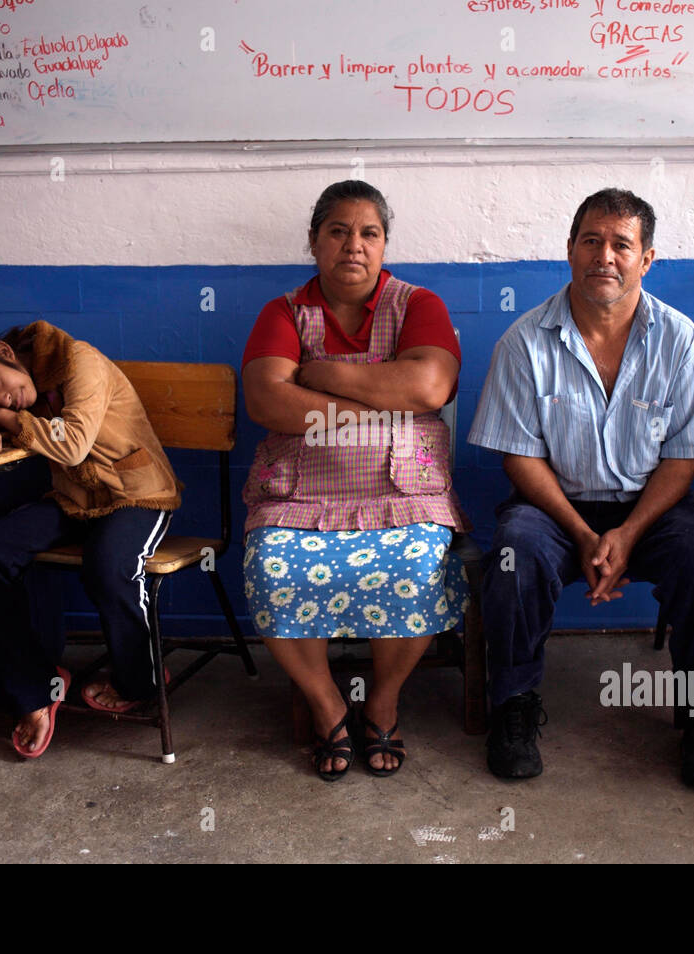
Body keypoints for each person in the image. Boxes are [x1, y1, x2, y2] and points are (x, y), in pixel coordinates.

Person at [468, 188, 694, 787]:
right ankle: (512, 706)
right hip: (554, 507)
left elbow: (683, 458)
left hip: (654, 508)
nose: (605, 256)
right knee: (511, 562)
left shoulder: (681, 342)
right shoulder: (524, 342)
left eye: (622, 244)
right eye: (591, 241)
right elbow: (520, 457)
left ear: (647, 260)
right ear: (569, 250)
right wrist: (587, 534)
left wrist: (628, 532)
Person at [241, 180, 470, 780]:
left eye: (369, 233)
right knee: (271, 566)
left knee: (417, 567)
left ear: (385, 243)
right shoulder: (283, 312)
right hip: (300, 496)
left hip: (404, 493)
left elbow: (427, 388)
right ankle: (329, 708)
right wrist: (382, 406)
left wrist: (319, 376)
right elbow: (268, 401)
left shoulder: (418, 305)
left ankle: (384, 701)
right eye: (338, 231)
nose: (353, 246)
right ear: (314, 241)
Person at [0, 320, 181, 758]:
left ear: (4, 352)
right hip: (74, 498)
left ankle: (141, 679)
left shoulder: (77, 360)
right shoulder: (4, 394)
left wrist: (0, 418)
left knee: (108, 564)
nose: (1, 397)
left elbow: (74, 444)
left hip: (137, 492)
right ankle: (35, 688)